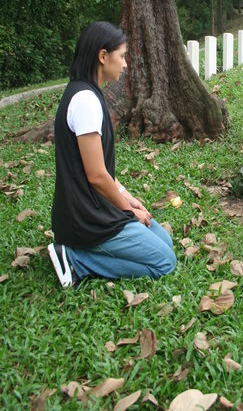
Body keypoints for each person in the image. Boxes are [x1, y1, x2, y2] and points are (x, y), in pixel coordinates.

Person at [48, 21, 176, 287]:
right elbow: (96, 176)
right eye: (122, 56)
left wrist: (130, 199)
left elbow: (102, 170)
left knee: (165, 241)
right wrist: (128, 211)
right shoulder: (85, 100)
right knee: (165, 262)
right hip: (88, 217)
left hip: (98, 208)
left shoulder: (88, 94)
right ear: (103, 56)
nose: (125, 64)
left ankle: (84, 254)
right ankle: (75, 259)